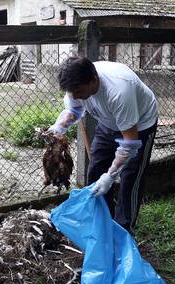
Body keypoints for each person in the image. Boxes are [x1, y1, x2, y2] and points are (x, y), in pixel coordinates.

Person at [48, 56, 158, 234]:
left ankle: (123, 230)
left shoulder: (119, 90)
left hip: (140, 124)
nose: (74, 96)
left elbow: (130, 142)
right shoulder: (76, 86)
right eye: (71, 93)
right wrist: (59, 127)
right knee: (96, 170)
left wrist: (111, 176)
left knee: (130, 176)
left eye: (77, 91)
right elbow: (74, 110)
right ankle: (102, 222)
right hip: (108, 122)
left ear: (93, 80)